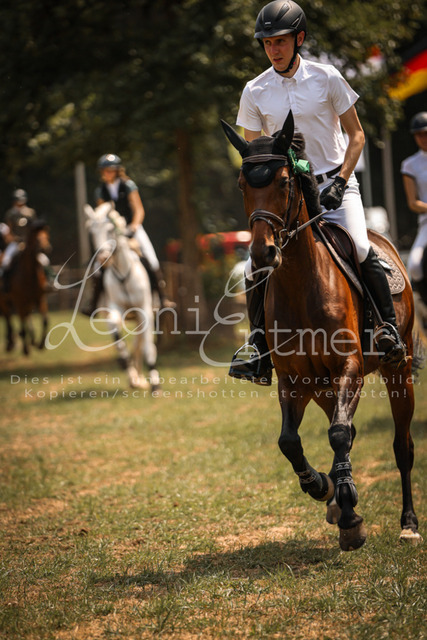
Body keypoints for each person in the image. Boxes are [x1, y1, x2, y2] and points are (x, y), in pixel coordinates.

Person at [229, 0, 406, 384]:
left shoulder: (327, 77)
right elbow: (256, 157)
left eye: (280, 41)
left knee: (360, 246)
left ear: (299, 39)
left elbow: (356, 136)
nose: (273, 49)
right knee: (253, 265)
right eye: (267, 43)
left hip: (335, 184)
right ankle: (258, 347)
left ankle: (387, 330)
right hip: (289, 193)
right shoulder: (254, 90)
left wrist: (341, 181)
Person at [83, 153, 174, 314]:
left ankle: (162, 298)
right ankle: (94, 304)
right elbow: (102, 215)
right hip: (113, 232)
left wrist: (133, 228)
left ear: (117, 170)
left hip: (133, 227)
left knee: (151, 258)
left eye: (111, 170)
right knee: (98, 265)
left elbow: (139, 210)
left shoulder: (128, 185)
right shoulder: (100, 191)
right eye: (105, 170)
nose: (107, 173)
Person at [401, 112, 427, 303]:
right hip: (426, 221)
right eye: (418, 134)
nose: (422, 138)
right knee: (415, 265)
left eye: (425, 133)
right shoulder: (409, 164)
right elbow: (412, 203)